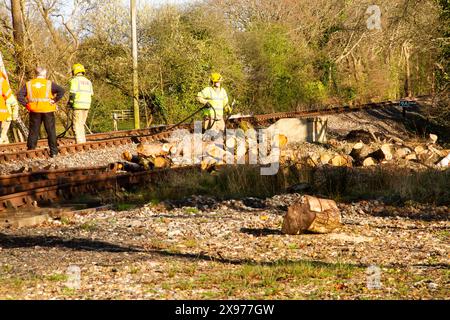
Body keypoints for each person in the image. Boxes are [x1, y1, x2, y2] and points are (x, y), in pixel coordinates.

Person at [18, 67, 65, 157]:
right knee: (51, 131)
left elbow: (19, 95)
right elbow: (61, 91)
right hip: (48, 110)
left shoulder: (29, 84)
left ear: (36, 74)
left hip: (34, 111)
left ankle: (31, 151)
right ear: (44, 74)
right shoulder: (49, 83)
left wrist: (26, 105)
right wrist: (54, 100)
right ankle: (54, 152)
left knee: (33, 131)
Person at [67, 64, 93, 144]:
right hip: (87, 106)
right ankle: (83, 141)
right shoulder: (88, 82)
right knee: (81, 124)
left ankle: (79, 143)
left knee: (76, 125)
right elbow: (91, 94)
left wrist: (70, 103)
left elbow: (72, 94)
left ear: (74, 71)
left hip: (78, 105)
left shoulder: (74, 80)